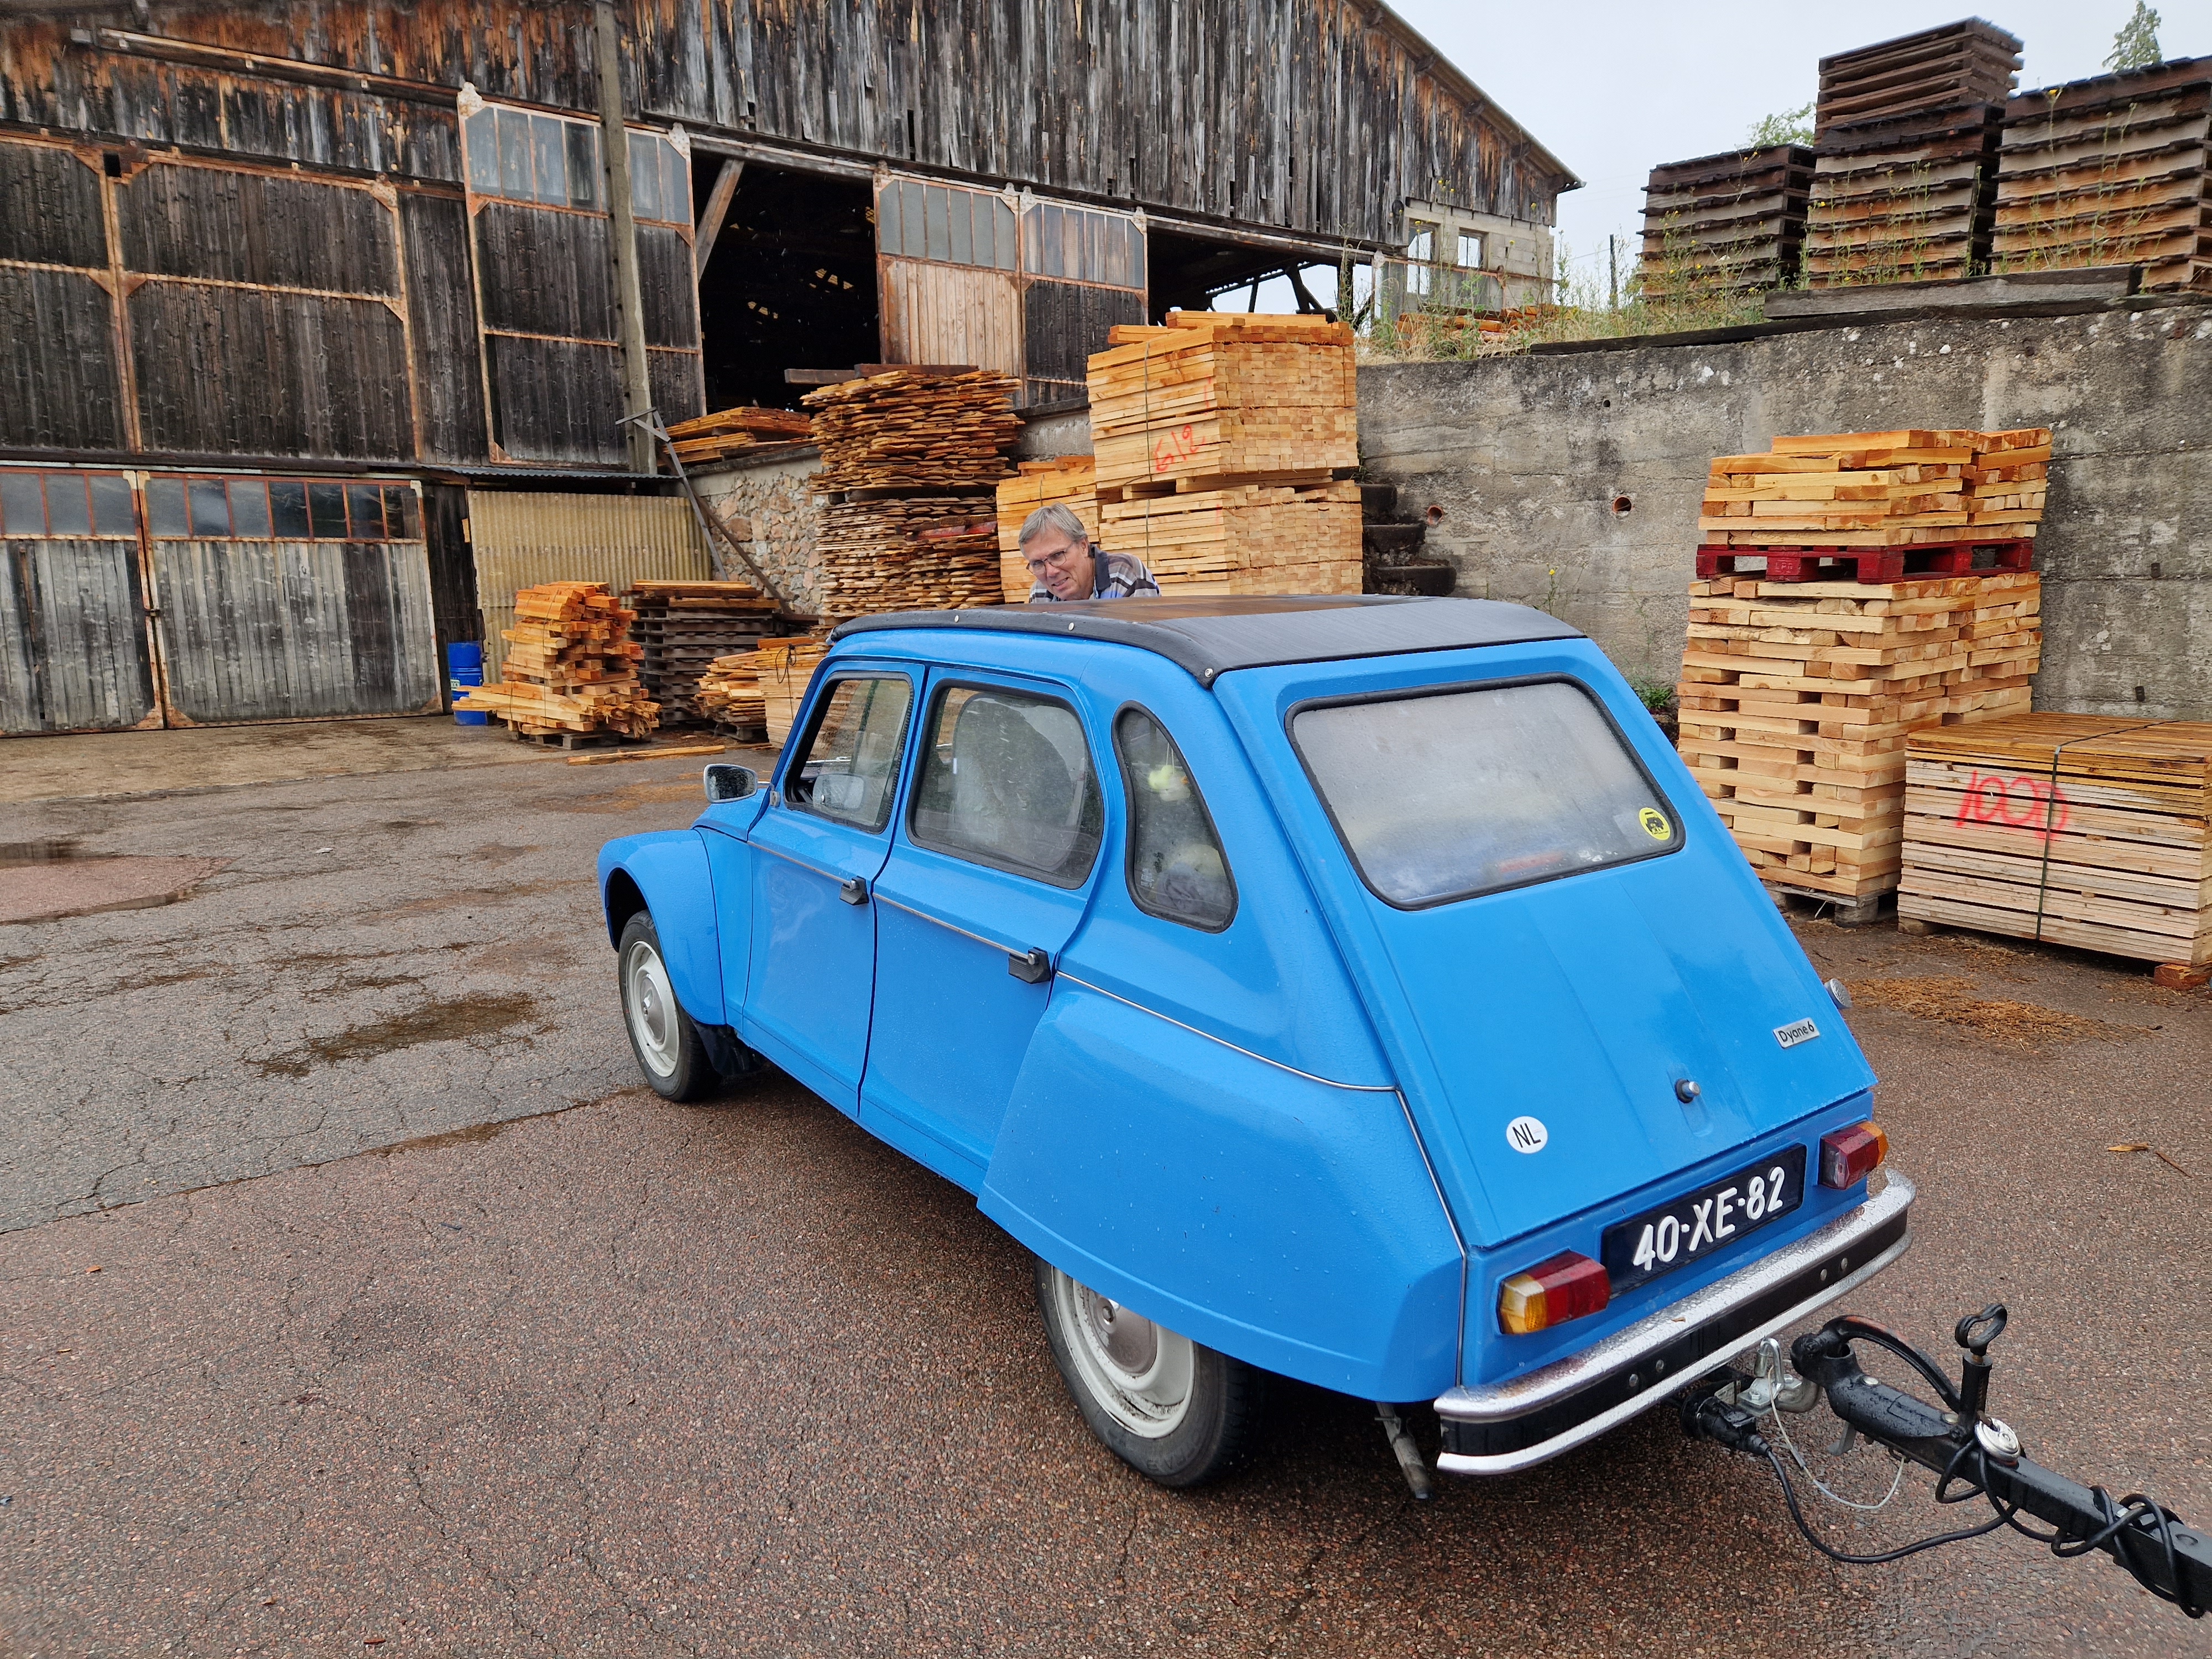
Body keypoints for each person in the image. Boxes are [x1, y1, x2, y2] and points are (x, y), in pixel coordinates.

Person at [1019, 502, 1160, 603]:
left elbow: (1142, 635)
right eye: (1037, 563)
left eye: (1057, 555)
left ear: (1083, 546)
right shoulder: (1040, 593)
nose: (1050, 572)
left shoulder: (1125, 575)